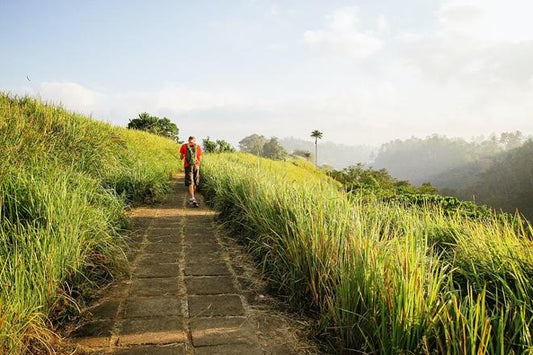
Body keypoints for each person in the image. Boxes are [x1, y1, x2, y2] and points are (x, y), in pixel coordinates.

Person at [180, 136, 203, 207]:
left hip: (188, 166)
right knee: (195, 182)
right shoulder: (198, 147)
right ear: (194, 140)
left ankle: (192, 198)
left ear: (188, 140)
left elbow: (181, 157)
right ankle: (192, 197)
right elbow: (200, 158)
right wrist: (197, 164)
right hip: (196, 166)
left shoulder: (184, 146)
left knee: (190, 181)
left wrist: (183, 157)